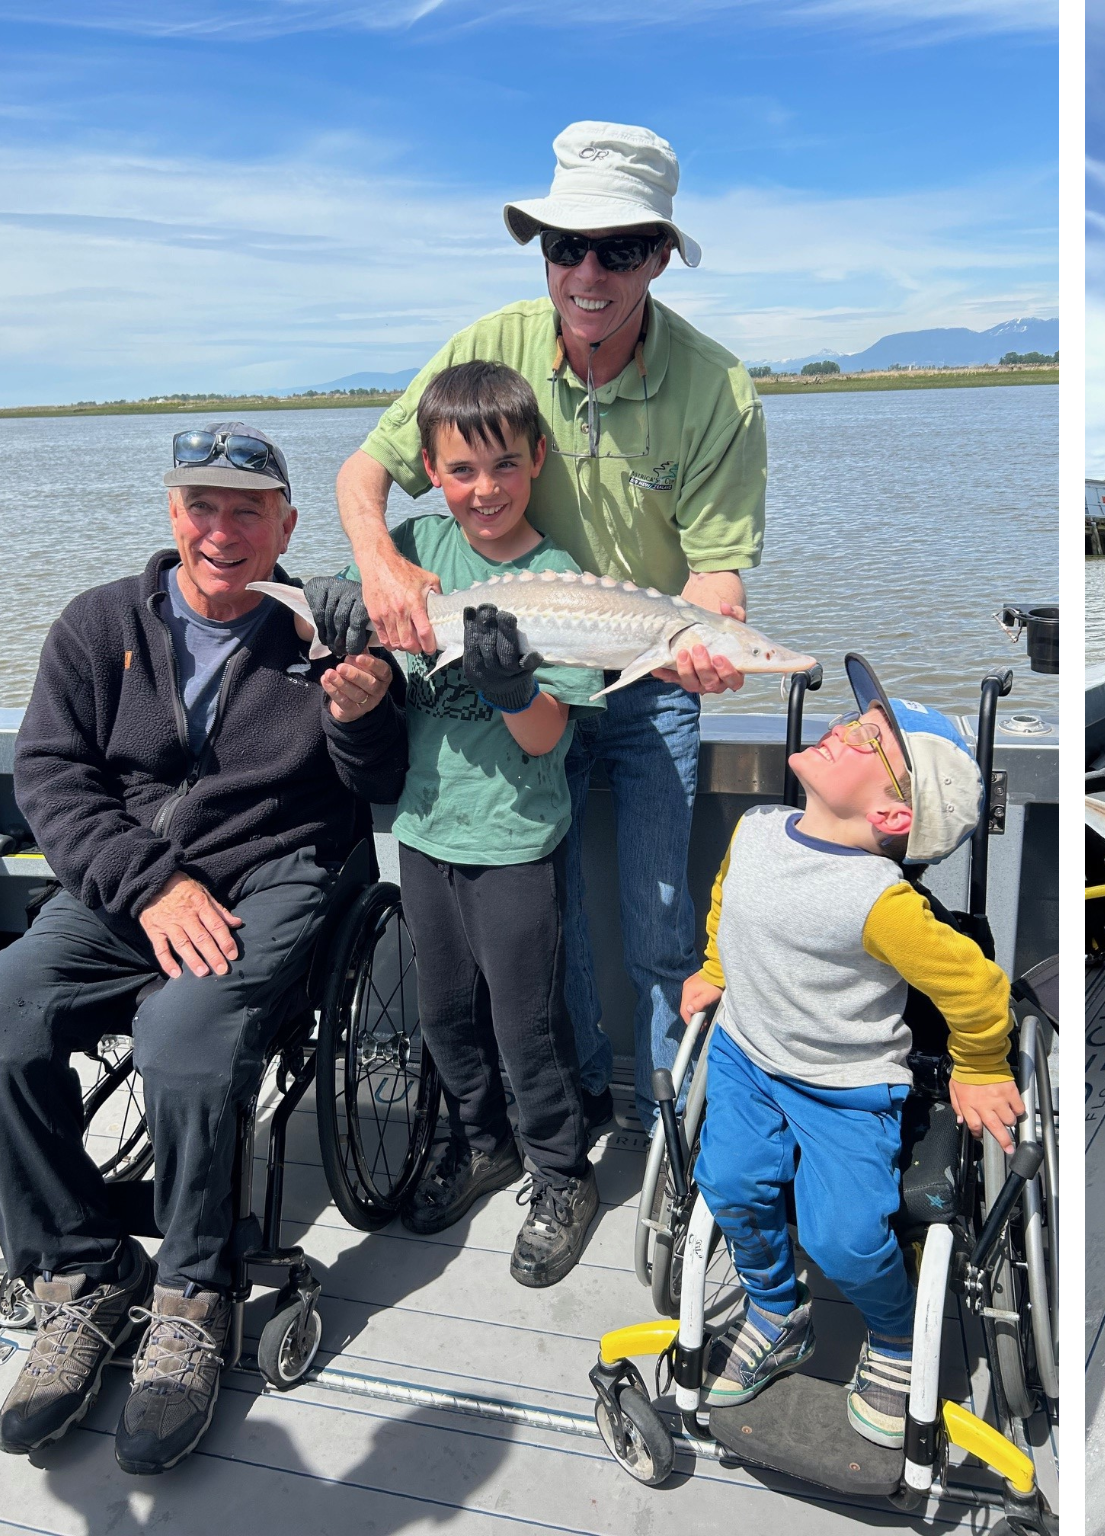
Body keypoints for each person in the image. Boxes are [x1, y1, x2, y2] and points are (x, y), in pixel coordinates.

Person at [337, 121, 768, 1138]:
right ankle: (570, 1119)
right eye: (564, 244)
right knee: (556, 929)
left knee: (664, 926)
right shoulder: (486, 348)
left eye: (619, 248)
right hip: (513, 671)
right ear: (540, 249)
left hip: (646, 678)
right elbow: (366, 475)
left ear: (661, 255)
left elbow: (715, 575)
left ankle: (674, 1133)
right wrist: (382, 565)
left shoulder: (718, 388)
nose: (587, 272)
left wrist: (713, 641)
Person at [0, 425, 405, 1473]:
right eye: (201, 506)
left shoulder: (329, 623)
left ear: (287, 524)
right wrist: (148, 884)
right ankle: (81, 1275)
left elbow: (382, 784)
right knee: (7, 1008)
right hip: (132, 878)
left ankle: (193, 1295)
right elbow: (51, 777)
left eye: (247, 510)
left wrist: (362, 711)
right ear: (171, 511)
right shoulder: (97, 623)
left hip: (278, 872)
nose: (221, 531)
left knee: (184, 1038)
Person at [680, 657, 1023, 1449]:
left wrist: (980, 1066)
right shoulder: (757, 828)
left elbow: (977, 990)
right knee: (725, 1180)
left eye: (873, 740)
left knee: (844, 1237)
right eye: (858, 722)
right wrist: (715, 968)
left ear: (896, 818)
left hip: (843, 1086)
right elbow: (730, 901)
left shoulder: (881, 902)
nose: (846, 728)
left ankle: (898, 1338)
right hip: (745, 1055)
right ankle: (775, 1308)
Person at [336, 361, 606, 1284]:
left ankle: (563, 1172)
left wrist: (512, 686)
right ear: (430, 470)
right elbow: (350, 615)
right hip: (423, 831)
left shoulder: (561, 578)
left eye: (503, 468)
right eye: (460, 471)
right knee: (446, 1015)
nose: (483, 490)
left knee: (524, 1023)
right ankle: (482, 1140)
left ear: (536, 461)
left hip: (517, 842)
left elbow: (545, 737)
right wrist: (349, 633)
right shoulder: (412, 550)